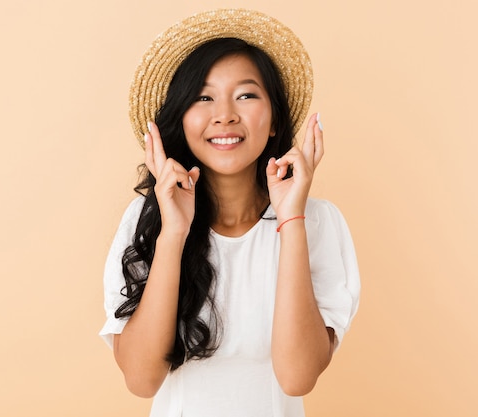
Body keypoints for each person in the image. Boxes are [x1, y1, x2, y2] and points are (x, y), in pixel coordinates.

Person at [99, 9, 360, 417]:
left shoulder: (318, 222)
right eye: (204, 97)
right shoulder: (146, 219)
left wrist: (291, 218)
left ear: (274, 121)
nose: (225, 115)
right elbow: (140, 379)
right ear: (181, 118)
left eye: (247, 95)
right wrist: (173, 232)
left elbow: (297, 377)